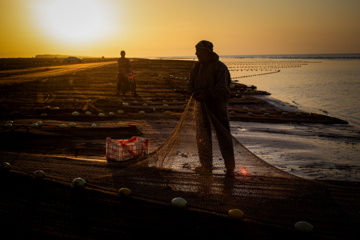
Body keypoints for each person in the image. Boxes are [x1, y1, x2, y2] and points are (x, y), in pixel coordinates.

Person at [188, 40, 235, 176]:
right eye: (196, 51)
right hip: (201, 108)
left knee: (224, 137)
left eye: (199, 51)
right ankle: (206, 166)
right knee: (203, 137)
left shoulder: (220, 67)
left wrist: (207, 94)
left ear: (207, 52)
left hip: (218, 108)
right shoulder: (197, 68)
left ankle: (230, 168)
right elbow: (190, 83)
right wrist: (195, 93)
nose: (196, 53)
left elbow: (223, 88)